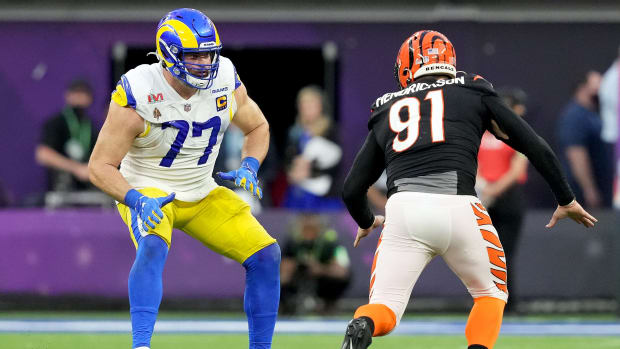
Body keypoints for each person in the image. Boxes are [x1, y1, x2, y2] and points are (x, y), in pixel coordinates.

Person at [339, 30, 597, 349]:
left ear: (407, 66)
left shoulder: (386, 107)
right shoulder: (473, 89)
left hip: (403, 212)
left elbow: (352, 189)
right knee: (491, 294)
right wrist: (565, 198)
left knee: (385, 308)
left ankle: (363, 324)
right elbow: (534, 145)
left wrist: (367, 222)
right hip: (459, 206)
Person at [88, 9, 280, 349]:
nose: (205, 62)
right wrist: (136, 200)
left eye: (209, 53)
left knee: (266, 255)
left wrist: (250, 164)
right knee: (152, 246)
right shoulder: (139, 91)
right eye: (194, 55)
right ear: (168, 54)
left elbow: (258, 126)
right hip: (148, 188)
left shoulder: (224, 77)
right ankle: (141, 345)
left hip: (202, 189)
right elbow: (100, 166)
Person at [476, 87, 529, 312]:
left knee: (504, 252)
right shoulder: (481, 131)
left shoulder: (519, 133)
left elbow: (518, 168)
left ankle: (505, 302)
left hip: (507, 197)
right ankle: (486, 300)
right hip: (482, 195)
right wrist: (482, 186)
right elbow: (471, 159)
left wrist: (494, 189)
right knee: (483, 253)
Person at [556, 70, 613, 208]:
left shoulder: (593, 112)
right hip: (583, 191)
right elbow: (576, 154)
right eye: (598, 83)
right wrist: (589, 189)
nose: (603, 87)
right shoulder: (574, 116)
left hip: (603, 185)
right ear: (583, 87)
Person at [283, 86, 343, 211]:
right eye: (304, 104)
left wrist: (310, 170)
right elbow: (288, 160)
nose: (307, 108)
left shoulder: (330, 131)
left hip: (324, 194)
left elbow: (337, 164)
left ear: (320, 106)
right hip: (299, 192)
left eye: (311, 104)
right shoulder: (295, 132)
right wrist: (293, 171)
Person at [280, 213, 351, 315]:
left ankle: (328, 304)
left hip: (322, 281)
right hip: (297, 280)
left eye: (312, 229)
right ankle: (288, 306)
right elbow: (283, 272)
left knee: (339, 279)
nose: (308, 233)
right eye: (305, 229)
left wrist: (321, 269)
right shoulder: (292, 243)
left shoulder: (330, 244)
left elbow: (343, 270)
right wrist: (294, 267)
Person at [36, 79, 98, 192]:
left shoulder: (92, 126)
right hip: (62, 188)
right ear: (67, 96)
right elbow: (43, 154)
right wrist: (76, 168)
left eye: (83, 93)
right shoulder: (56, 122)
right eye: (76, 93)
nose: (79, 97)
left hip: (89, 188)